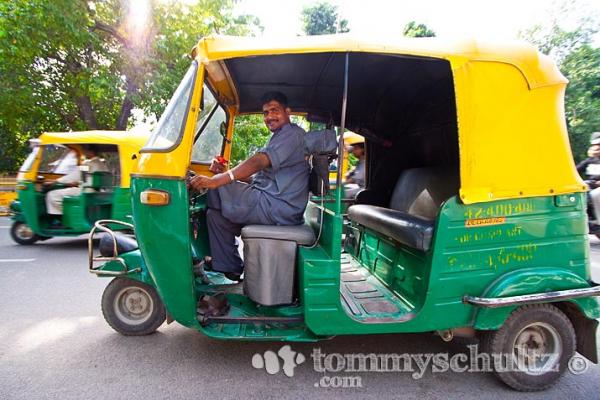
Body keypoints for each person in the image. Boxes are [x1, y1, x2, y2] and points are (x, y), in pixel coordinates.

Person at [188, 91, 309, 281]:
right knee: (215, 216)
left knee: (217, 188)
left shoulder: (292, 134)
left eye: (274, 111)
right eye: (266, 113)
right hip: (269, 201)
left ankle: (198, 255)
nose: (269, 117)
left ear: (288, 112)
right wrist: (225, 172)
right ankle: (230, 267)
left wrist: (216, 180)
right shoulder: (278, 138)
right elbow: (256, 181)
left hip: (278, 207)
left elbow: (259, 161)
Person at [45, 148, 109, 224]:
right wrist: (77, 183)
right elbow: (88, 178)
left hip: (86, 191)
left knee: (52, 195)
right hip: (97, 192)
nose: (84, 153)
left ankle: (63, 220)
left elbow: (75, 175)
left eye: (85, 151)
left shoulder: (88, 163)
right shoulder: (103, 165)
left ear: (91, 152)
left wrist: (55, 181)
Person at [577, 132, 600, 226]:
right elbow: (576, 169)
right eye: (595, 145)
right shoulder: (590, 160)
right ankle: (585, 218)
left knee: (596, 194)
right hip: (591, 184)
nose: (596, 148)